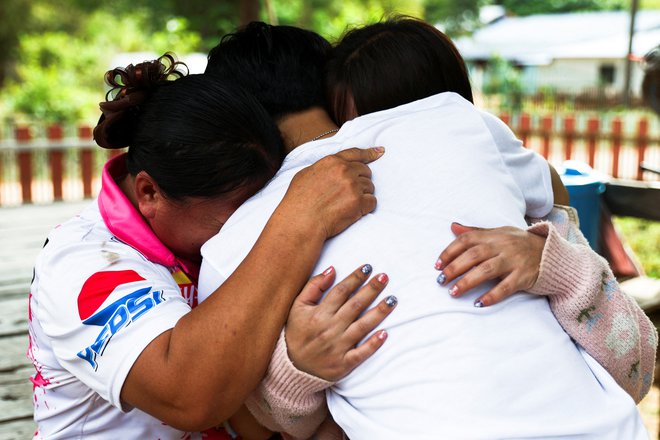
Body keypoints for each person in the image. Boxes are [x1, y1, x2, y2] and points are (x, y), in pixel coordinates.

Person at [199, 20, 655, 439]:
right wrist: (552, 247)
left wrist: (297, 368)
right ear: (326, 88)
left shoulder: (229, 247)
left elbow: (276, 423)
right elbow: (554, 192)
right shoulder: (456, 120)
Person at [27, 54, 394, 439]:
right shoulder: (82, 264)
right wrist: (297, 222)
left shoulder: (194, 235)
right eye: (233, 221)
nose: (249, 232)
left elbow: (246, 419)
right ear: (149, 193)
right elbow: (187, 397)